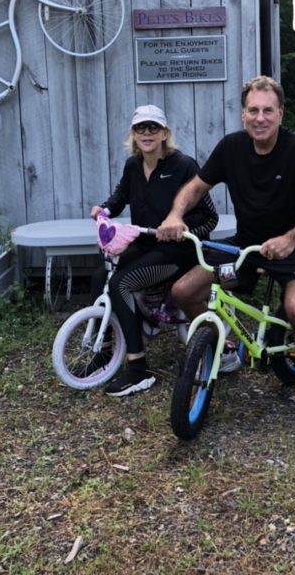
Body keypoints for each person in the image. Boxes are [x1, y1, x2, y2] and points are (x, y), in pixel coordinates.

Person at [157, 76, 295, 423]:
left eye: (267, 110)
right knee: (184, 291)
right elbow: (197, 187)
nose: (260, 118)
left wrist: (291, 238)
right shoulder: (231, 147)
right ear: (243, 115)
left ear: (280, 113)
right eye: (252, 111)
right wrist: (175, 214)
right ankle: (227, 348)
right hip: (247, 246)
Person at [90, 104, 218, 397]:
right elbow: (121, 195)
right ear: (133, 134)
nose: (146, 133)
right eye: (140, 128)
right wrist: (105, 209)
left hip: (179, 251)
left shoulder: (184, 166)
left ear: (164, 133)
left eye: (153, 128)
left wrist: (182, 230)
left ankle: (138, 369)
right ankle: (104, 352)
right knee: (100, 278)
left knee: (121, 282)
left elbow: (210, 218)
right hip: (146, 243)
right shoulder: (133, 165)